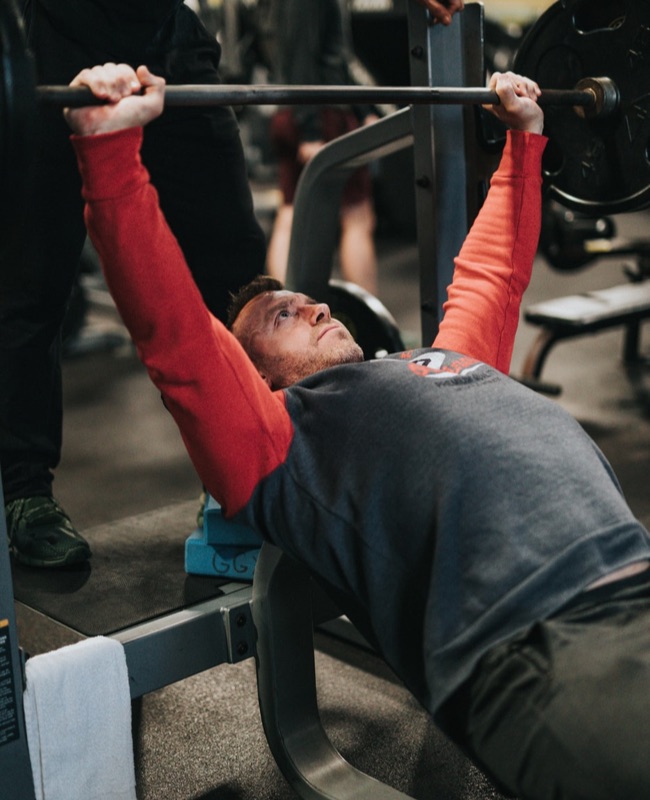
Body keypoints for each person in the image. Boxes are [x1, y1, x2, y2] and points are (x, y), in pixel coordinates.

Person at [65, 63, 650, 800]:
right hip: (541, 640)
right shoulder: (281, 440)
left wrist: (525, 140)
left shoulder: (437, 363)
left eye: (308, 301)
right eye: (283, 316)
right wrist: (111, 156)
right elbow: (174, 336)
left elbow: (491, 277)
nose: (316, 307)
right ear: (254, 381)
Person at [0, 0, 266, 567]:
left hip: (166, 35)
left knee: (237, 271)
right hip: (52, 37)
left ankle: (251, 467)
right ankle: (23, 491)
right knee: (32, 281)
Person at [264, 0, 380, 293]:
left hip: (302, 109)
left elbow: (338, 56)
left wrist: (364, 109)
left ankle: (284, 311)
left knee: (290, 214)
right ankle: (368, 318)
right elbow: (302, 56)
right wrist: (310, 131)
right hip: (320, 113)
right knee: (357, 217)